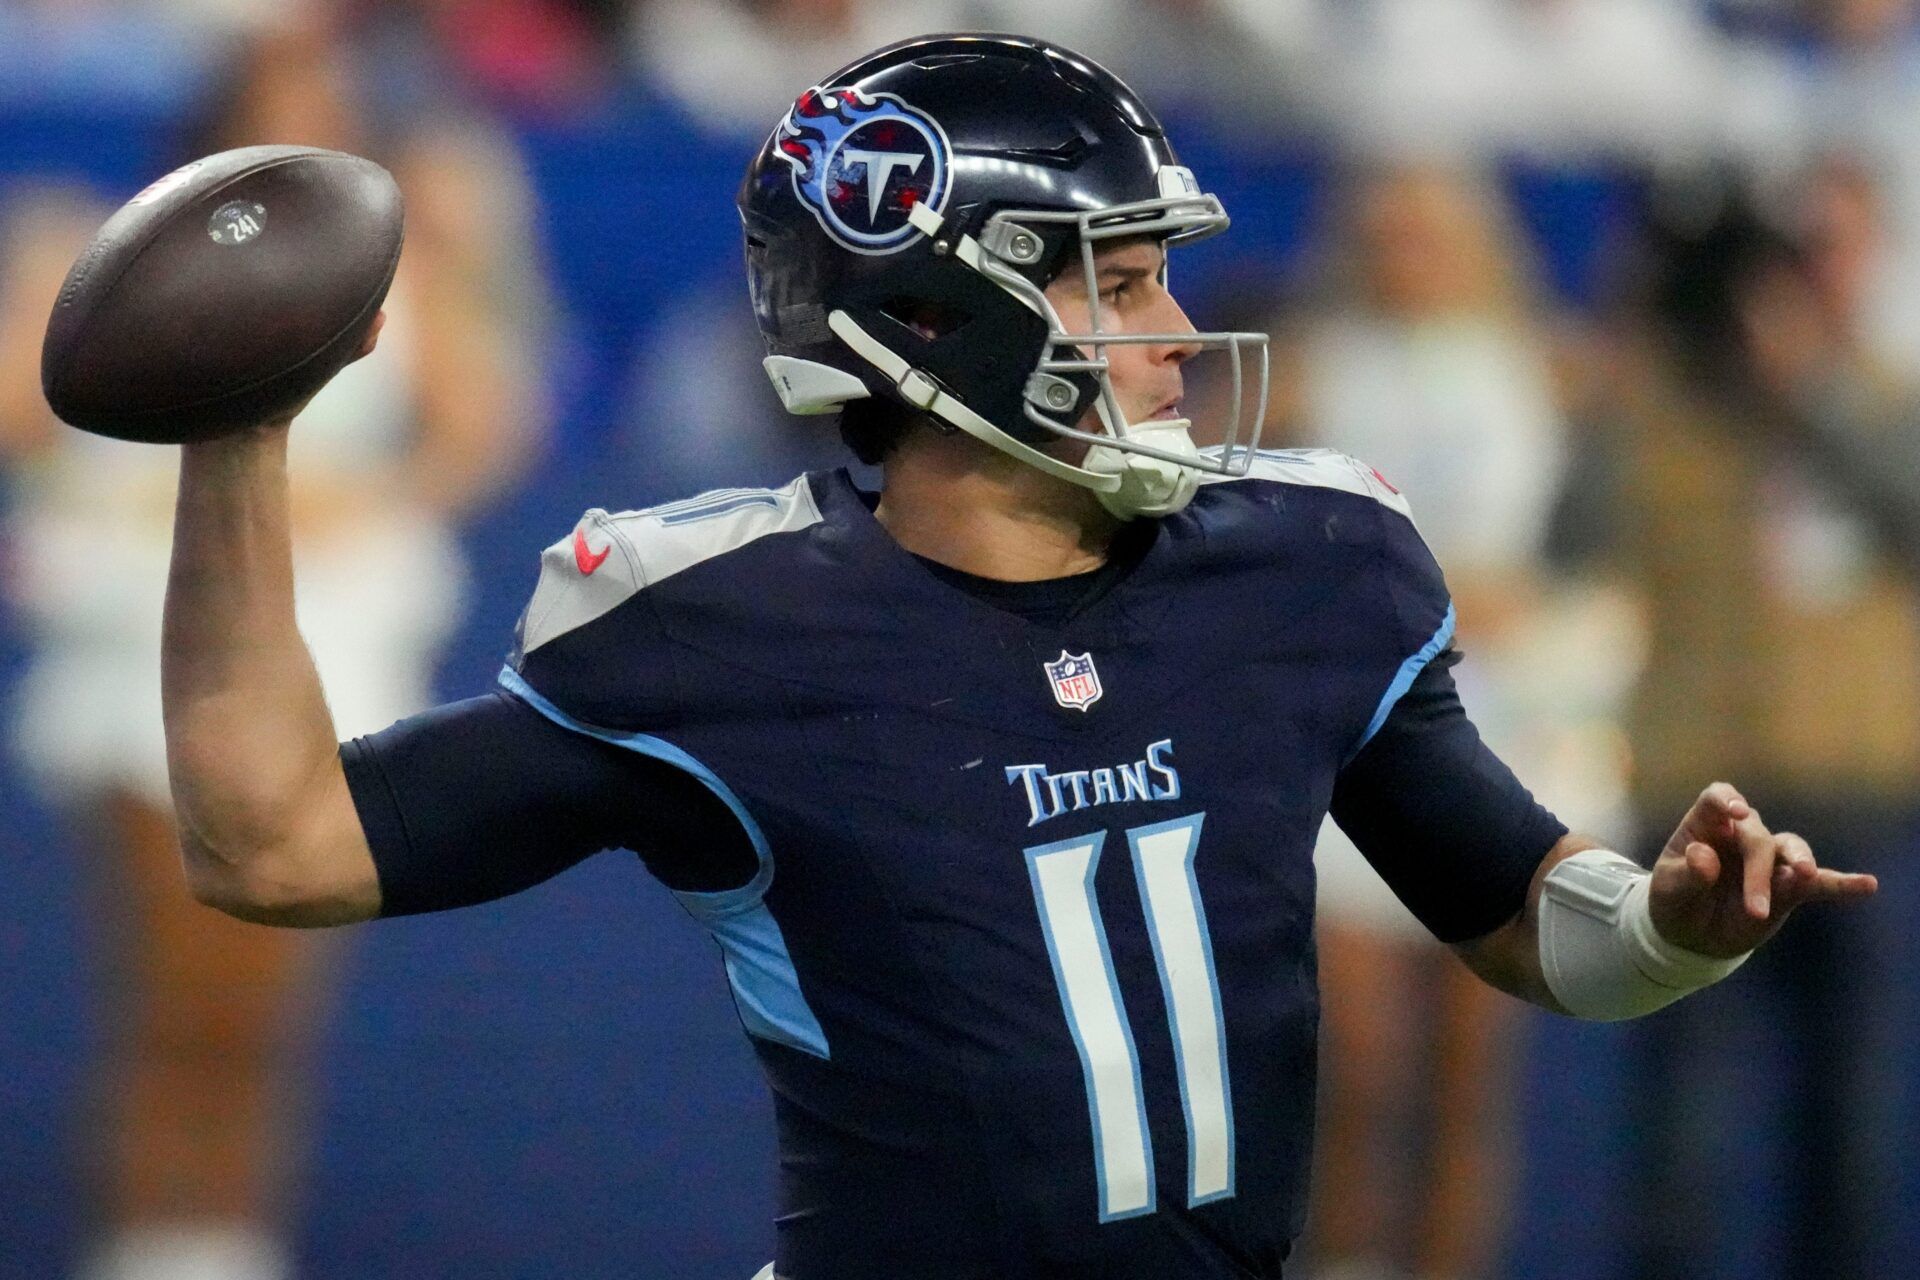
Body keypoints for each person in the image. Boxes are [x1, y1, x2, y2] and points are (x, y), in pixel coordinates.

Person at [153, 35, 1875, 1280]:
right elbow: (274, 840)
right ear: (929, 318)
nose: (1177, 334)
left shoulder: (1312, 561)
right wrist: (235, 437)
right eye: (1115, 284)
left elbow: (1522, 914)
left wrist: (1667, 927)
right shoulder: (718, 626)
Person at [0, 13, 543, 1278]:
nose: (303, 118)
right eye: (274, 92)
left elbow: (483, 426)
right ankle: (154, 1248)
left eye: (326, 93)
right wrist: (61, 299)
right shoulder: (95, 244)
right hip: (140, 629)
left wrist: (373, 494)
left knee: (267, 1014)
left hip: (331, 637)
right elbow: (25, 421)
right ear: (215, 110)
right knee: (186, 1000)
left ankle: (217, 1247)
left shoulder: (411, 258)